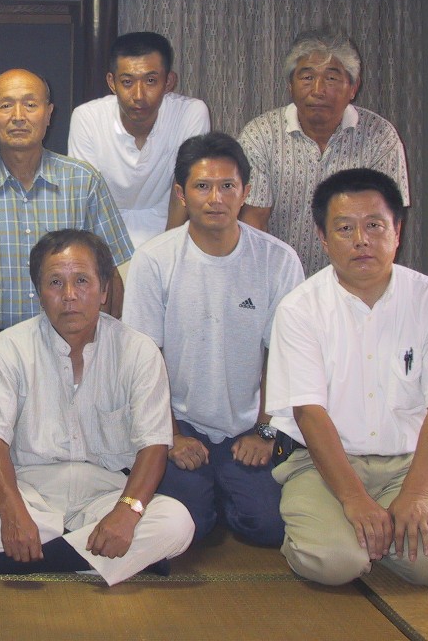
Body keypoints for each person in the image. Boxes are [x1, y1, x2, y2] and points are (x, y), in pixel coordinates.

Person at [0, 230, 195, 586]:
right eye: (55, 282)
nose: (69, 295)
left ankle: (17, 560)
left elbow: (154, 445)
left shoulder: (139, 351)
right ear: (39, 293)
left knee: (177, 522)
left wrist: (126, 511)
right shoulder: (9, 347)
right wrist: (12, 513)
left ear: (104, 290)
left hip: (107, 494)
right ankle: (103, 557)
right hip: (29, 491)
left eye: (82, 281)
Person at [267, 169, 428, 586]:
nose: (361, 240)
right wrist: (354, 499)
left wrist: (417, 494)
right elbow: (308, 413)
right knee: (335, 564)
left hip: (407, 464)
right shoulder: (299, 309)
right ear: (322, 237)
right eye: (344, 228)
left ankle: (376, 536)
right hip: (321, 465)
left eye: (374, 226)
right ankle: (349, 535)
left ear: (397, 231)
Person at [0, 68, 133, 437]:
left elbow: (112, 274)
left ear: (49, 113)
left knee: (76, 446)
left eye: (30, 104)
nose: (19, 116)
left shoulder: (83, 181)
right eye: (6, 105)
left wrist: (100, 352)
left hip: (70, 342)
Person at [123, 133, 303, 547]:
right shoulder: (154, 259)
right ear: (181, 194)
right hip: (180, 420)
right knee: (190, 527)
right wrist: (170, 435)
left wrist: (265, 432)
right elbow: (143, 360)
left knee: (269, 526)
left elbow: (283, 357)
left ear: (246, 192)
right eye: (203, 186)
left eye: (227, 186)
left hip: (250, 423)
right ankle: (211, 491)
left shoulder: (278, 260)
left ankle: (225, 486)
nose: (216, 198)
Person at [238, 29, 410, 276]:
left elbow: (386, 222)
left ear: (353, 87)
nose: (318, 90)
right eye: (307, 77)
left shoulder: (380, 137)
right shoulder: (260, 135)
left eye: (331, 78)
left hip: (354, 279)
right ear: (290, 85)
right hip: (280, 280)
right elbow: (254, 222)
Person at [68, 31, 210, 248]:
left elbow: (185, 187)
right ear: (112, 82)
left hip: (171, 235)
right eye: (127, 82)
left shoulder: (191, 113)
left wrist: (166, 254)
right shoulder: (87, 117)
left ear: (169, 81)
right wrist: (107, 259)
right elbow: (85, 198)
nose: (139, 95)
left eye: (151, 81)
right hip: (103, 240)